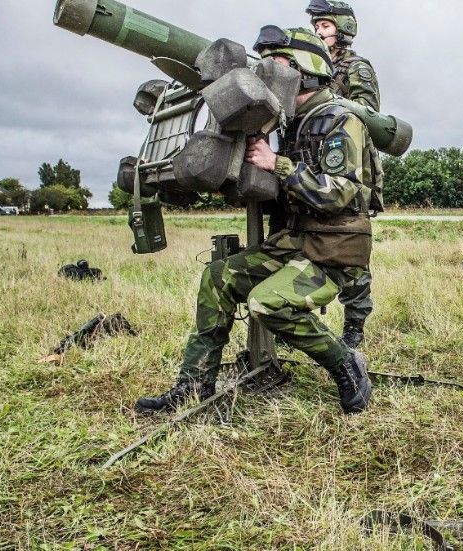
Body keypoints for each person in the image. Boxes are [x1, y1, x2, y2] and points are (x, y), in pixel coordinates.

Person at [136, 27, 377, 416]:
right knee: (218, 277)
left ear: (305, 68)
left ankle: (346, 364)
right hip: (294, 241)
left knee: (267, 303)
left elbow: (340, 193)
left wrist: (275, 163)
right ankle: (193, 385)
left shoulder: (339, 119)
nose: (263, 73)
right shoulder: (288, 121)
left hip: (334, 247)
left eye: (274, 64)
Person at [307, 0, 379, 348]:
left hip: (348, 161)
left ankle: (354, 324)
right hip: (313, 161)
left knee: (351, 249)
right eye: (316, 26)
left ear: (343, 28)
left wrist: (329, 98)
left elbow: (369, 116)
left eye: (323, 25)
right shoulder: (310, 64)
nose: (318, 31)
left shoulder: (355, 67)